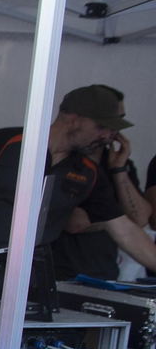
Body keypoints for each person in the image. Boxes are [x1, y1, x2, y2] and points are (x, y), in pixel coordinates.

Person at [0, 84, 156, 302]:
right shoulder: (7, 141)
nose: (108, 136)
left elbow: (126, 230)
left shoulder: (89, 172)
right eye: (101, 127)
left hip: (32, 275)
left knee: (28, 341)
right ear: (74, 120)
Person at [53, 86, 150, 280]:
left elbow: (140, 219)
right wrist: (119, 222)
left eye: (118, 122)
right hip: (60, 274)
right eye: (105, 124)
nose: (112, 131)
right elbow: (75, 223)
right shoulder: (64, 159)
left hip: (105, 275)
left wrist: (119, 171)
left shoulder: (117, 162)